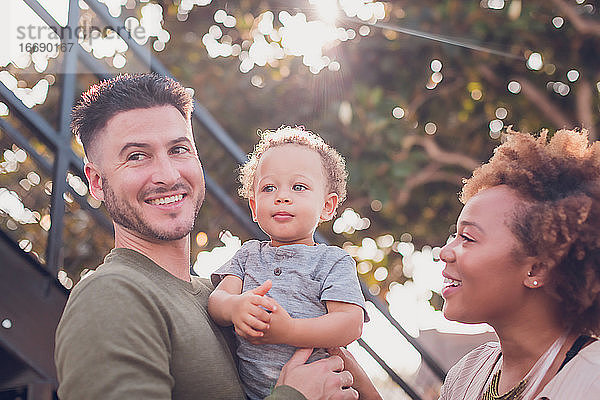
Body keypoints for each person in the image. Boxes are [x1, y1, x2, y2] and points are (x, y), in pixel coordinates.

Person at [54, 74, 359, 400]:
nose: (168, 175)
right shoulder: (111, 295)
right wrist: (295, 396)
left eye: (179, 149)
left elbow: (339, 359)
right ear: (97, 183)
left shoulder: (220, 294)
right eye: (137, 156)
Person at [334, 128, 600, 399]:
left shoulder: (592, 378)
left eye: (468, 238)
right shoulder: (469, 373)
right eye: (454, 235)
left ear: (537, 269)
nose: (445, 252)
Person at [208, 127, 368, 400]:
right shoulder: (248, 255)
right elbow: (217, 299)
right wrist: (235, 307)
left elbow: (350, 324)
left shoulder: (332, 261)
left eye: (299, 187)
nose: (282, 196)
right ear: (255, 207)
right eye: (269, 188)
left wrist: (290, 331)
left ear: (327, 207)